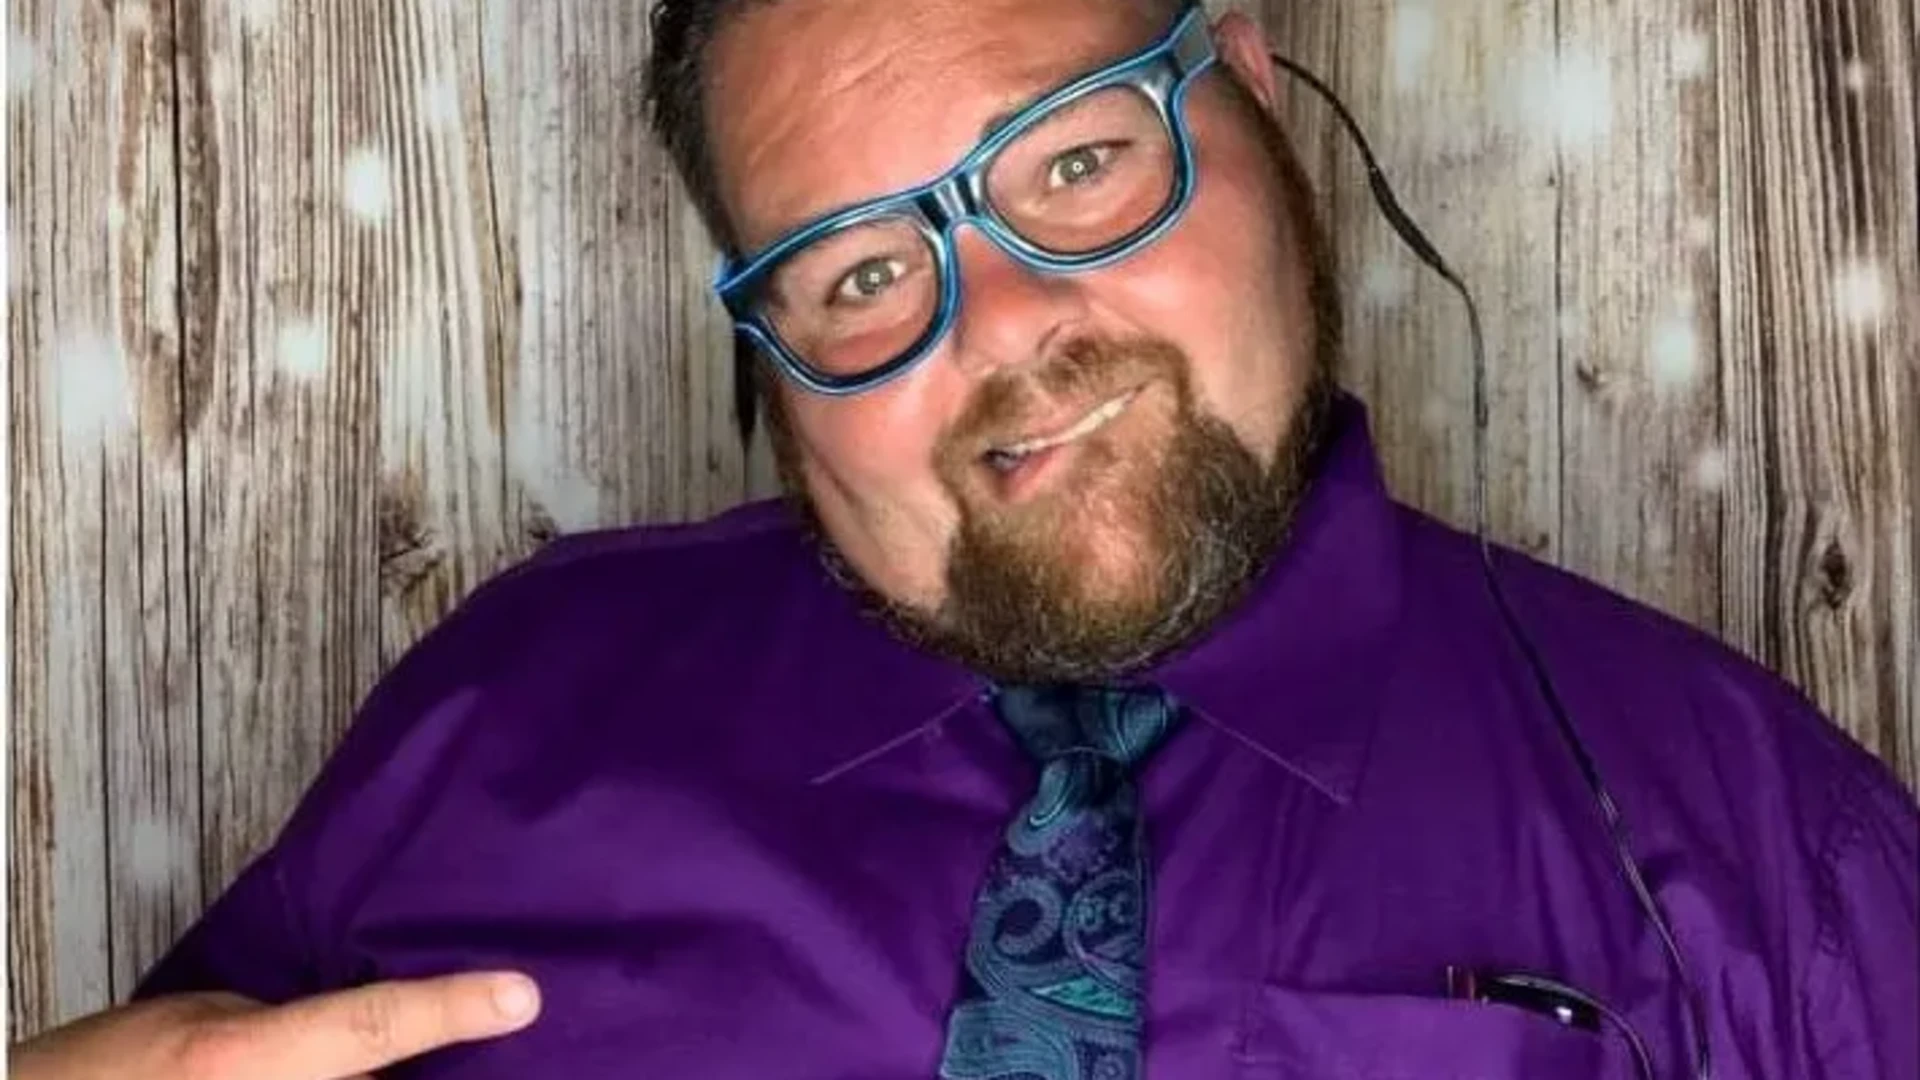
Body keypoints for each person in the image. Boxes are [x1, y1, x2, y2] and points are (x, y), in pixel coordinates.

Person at [14, 0, 1917, 1077]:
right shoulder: (501, 726)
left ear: (1255, 96)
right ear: (769, 352)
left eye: (1077, 162)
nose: (1001, 325)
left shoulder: (1766, 849)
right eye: (859, 271)